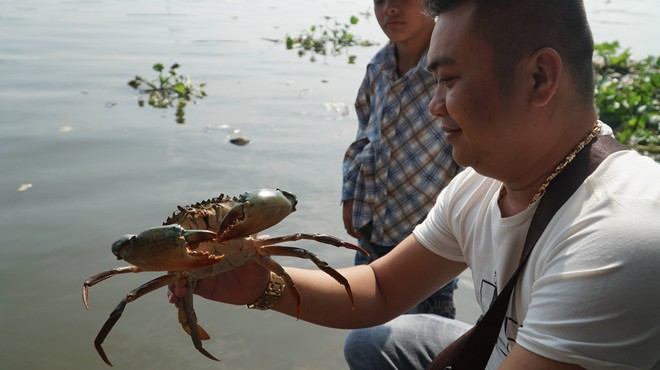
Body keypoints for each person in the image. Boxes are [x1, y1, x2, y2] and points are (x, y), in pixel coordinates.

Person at [169, 0, 660, 369]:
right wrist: (264, 284)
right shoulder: (480, 188)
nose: (435, 106)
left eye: (448, 80)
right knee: (372, 340)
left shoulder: (620, 237)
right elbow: (381, 287)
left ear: (539, 77)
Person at [341, 0, 460, 317]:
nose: (389, 8)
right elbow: (364, 134)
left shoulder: (452, 70)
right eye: (380, 1)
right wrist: (350, 194)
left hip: (428, 239)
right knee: (363, 325)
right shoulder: (378, 66)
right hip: (373, 229)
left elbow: (473, 156)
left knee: (423, 339)